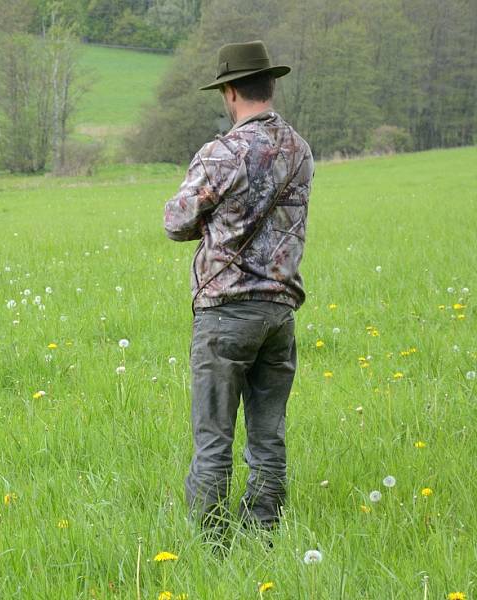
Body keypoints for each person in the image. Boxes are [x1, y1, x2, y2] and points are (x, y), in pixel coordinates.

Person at [163, 40, 314, 541]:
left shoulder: (220, 153)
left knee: (213, 439)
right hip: (280, 311)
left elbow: (176, 222)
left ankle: (210, 544)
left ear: (230, 92)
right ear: (270, 85)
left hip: (224, 312)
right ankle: (266, 535)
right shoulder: (300, 151)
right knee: (268, 436)